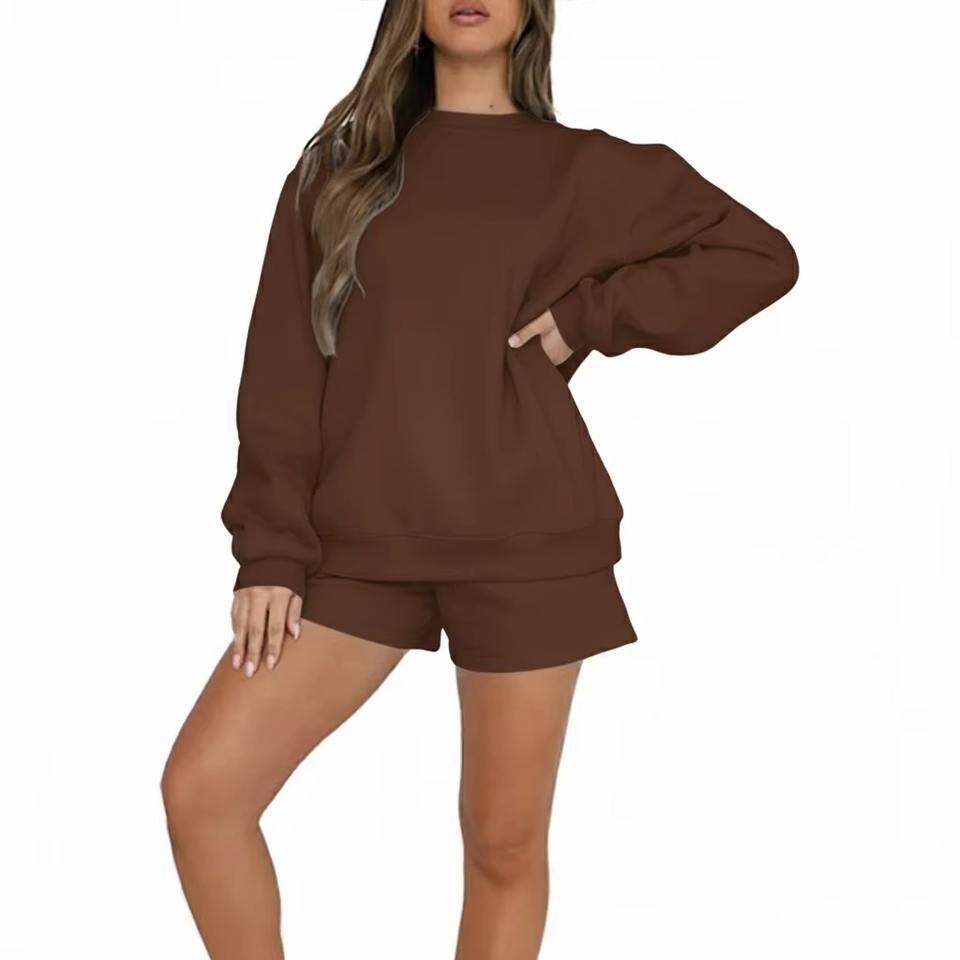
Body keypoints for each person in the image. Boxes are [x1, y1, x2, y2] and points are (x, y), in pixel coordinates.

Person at [161, 1, 799, 957]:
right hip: (357, 547)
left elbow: (760, 256)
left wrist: (590, 318)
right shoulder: (338, 174)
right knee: (204, 793)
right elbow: (282, 376)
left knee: (502, 844)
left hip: (527, 539)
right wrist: (270, 552)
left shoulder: (581, 170)